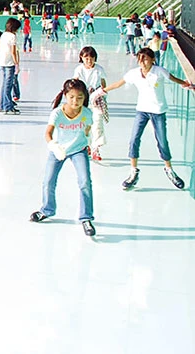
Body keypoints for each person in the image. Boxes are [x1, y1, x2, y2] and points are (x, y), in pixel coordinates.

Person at [99, 48, 193, 190]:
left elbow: (174, 79)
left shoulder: (159, 71)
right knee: (134, 139)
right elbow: (119, 83)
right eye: (140, 59)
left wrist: (187, 84)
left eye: (145, 59)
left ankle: (169, 170)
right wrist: (102, 91)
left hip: (158, 112)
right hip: (142, 111)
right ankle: (133, 172)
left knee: (162, 141)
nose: (142, 62)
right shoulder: (134, 74)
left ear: (152, 59)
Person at [29, 78, 96, 237]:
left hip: (78, 149)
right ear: (66, 95)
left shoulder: (86, 113)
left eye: (80, 97)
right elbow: (47, 133)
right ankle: (47, 210)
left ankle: (86, 217)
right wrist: (54, 146)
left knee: (85, 181)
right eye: (72, 97)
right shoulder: (58, 113)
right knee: (49, 180)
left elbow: (88, 129)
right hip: (58, 149)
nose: (76, 101)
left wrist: (88, 143)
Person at [73, 46, 107, 161]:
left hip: (96, 99)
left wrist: (100, 94)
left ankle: (96, 148)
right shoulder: (79, 69)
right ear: (81, 58)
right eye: (86, 58)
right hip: (83, 99)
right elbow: (75, 83)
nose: (89, 60)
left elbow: (103, 84)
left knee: (97, 123)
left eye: (91, 58)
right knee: (84, 124)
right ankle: (85, 146)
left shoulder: (99, 69)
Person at [0, 18, 21, 114]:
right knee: (8, 85)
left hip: (2, 62)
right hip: (9, 63)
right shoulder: (12, 36)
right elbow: (13, 51)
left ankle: (2, 105)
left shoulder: (3, 35)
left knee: (4, 85)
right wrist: (16, 64)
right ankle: (8, 106)